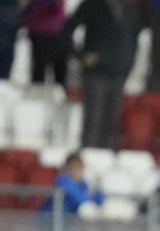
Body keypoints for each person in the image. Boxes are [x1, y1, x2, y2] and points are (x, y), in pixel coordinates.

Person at [61, 0, 146, 150]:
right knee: (93, 120)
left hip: (119, 73)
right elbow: (66, 30)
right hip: (96, 73)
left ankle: (104, 161)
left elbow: (133, 39)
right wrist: (81, 55)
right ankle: (88, 156)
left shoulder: (130, 8)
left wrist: (128, 65)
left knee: (112, 123)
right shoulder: (92, 5)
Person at [24, 0, 68, 86]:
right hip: (45, 31)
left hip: (50, 31)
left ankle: (53, 91)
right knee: (42, 67)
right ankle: (39, 91)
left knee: (46, 66)